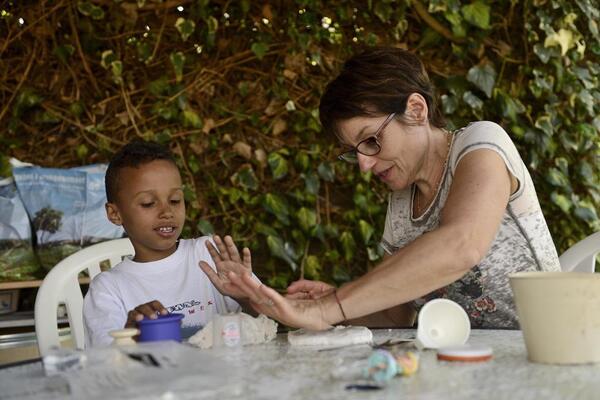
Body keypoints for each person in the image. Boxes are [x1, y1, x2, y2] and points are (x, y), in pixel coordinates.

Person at [212, 47, 561, 331]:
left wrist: (328, 308)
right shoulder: (401, 204)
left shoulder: (480, 144)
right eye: (354, 152)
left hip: (549, 348)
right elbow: (396, 317)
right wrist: (303, 305)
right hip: (472, 366)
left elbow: (462, 244)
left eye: (372, 140)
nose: (364, 164)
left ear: (416, 109)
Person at [83, 141, 255, 346]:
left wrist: (248, 296)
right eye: (148, 203)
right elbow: (107, 363)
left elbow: (268, 323)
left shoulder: (208, 255)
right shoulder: (108, 289)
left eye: (175, 200)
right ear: (115, 214)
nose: (167, 212)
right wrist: (131, 336)